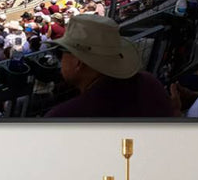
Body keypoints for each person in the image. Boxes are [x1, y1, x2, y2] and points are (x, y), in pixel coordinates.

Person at [45, 15, 177, 118]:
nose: (60, 59)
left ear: (78, 62)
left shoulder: (63, 117)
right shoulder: (149, 82)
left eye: (61, 52)